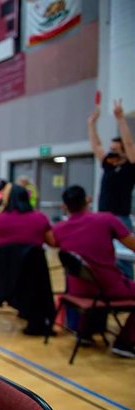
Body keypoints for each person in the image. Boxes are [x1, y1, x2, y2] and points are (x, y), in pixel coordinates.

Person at [52, 185, 135, 358]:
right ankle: (126, 342)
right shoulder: (106, 219)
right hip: (107, 287)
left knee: (93, 283)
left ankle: (86, 333)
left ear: (64, 206)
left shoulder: (59, 229)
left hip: (78, 289)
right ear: (87, 200)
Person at [0, 185, 54, 331]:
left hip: (0, 278)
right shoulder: (40, 218)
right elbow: (52, 242)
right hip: (33, 280)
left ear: (7, 200)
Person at [88, 99, 135, 279]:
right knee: (102, 254)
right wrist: (92, 124)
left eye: (116, 149)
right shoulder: (108, 164)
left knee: (124, 258)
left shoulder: (131, 166)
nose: (111, 152)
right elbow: (96, 146)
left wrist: (121, 119)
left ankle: (128, 288)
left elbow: (130, 145)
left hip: (120, 217)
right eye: (111, 149)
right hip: (103, 216)